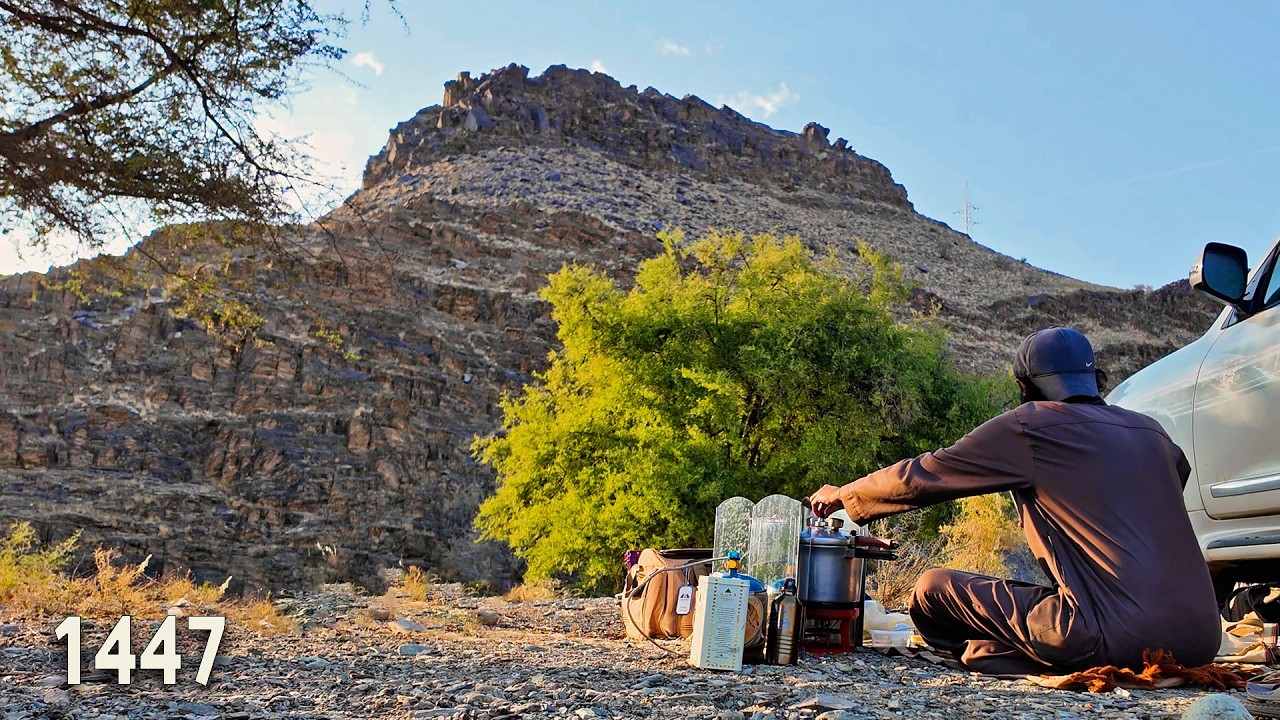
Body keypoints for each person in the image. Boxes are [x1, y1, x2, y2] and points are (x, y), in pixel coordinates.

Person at [808, 326, 1221, 675]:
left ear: (1024, 387)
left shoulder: (1030, 424)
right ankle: (1017, 650)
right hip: (1202, 637)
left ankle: (1006, 654)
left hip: (1109, 636)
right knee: (1048, 604)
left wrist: (843, 495)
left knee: (931, 589)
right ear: (1095, 378)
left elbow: (922, 476)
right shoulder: (1152, 432)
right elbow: (1174, 483)